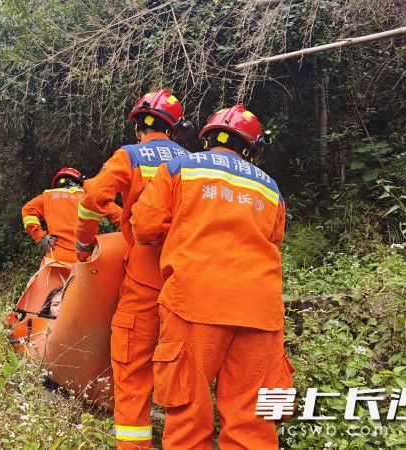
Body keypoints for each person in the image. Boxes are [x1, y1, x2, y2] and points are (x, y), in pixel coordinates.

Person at [130, 105, 294, 449]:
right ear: (250, 147)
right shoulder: (271, 188)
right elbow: (274, 241)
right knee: (256, 420)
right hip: (260, 313)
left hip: (194, 304)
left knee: (188, 412)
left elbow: (144, 227)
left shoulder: (178, 167)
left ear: (206, 139)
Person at [75, 89, 190, 449]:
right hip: (185, 276)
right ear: (173, 128)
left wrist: (84, 240)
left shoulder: (132, 155)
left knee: (131, 366)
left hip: (143, 274)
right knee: (181, 368)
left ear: (139, 125)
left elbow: (93, 198)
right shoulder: (195, 161)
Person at [22, 168, 120, 264]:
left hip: (57, 254)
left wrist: (41, 236)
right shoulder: (89, 196)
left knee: (50, 280)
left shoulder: (47, 196)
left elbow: (27, 210)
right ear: (79, 181)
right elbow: (119, 215)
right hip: (85, 257)